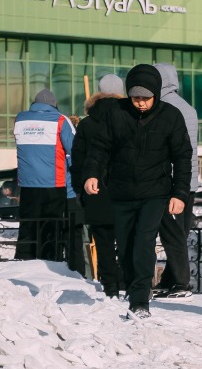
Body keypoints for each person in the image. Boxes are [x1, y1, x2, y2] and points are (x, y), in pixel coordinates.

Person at [83, 64, 193, 319]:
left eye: (145, 98)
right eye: (135, 98)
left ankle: (140, 299)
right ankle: (134, 288)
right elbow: (99, 147)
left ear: (155, 94)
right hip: (121, 192)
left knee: (144, 242)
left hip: (155, 192)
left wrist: (180, 194)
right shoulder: (116, 113)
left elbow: (183, 157)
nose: (140, 103)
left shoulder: (171, 116)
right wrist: (92, 174)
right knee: (126, 245)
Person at [73, 74, 124, 298]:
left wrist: (81, 191)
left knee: (102, 243)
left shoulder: (86, 125)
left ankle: (110, 287)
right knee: (129, 241)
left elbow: (78, 161)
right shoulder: (130, 118)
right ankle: (130, 284)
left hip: (95, 193)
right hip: (127, 193)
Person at [153, 63, 201, 299]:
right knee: (179, 233)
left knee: (171, 234)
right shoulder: (187, 107)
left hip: (171, 181)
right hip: (189, 181)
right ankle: (170, 281)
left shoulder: (163, 108)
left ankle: (181, 283)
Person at [14, 88, 76, 263]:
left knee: (27, 226)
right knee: (51, 228)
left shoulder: (20, 119)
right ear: (53, 105)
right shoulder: (60, 120)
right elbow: (75, 148)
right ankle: (49, 263)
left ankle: (23, 260)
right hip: (54, 183)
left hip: (27, 184)